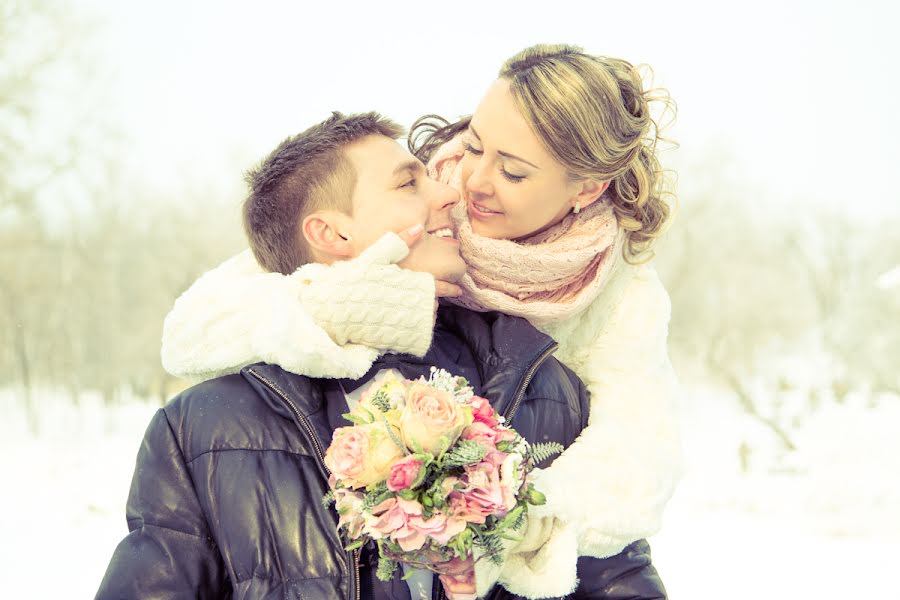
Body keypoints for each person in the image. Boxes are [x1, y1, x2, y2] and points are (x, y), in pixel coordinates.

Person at [160, 44, 681, 597]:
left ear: (586, 189)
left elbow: (637, 457)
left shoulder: (613, 296)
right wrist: (363, 299)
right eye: (475, 145)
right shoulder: (426, 200)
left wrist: (513, 518)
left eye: (512, 171)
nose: (468, 183)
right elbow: (233, 297)